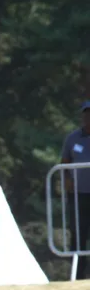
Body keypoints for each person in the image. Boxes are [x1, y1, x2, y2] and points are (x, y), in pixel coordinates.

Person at [60, 103, 90, 278]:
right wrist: (67, 180)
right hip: (78, 196)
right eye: (86, 115)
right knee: (78, 236)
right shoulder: (73, 138)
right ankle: (77, 276)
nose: (88, 118)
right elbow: (64, 161)